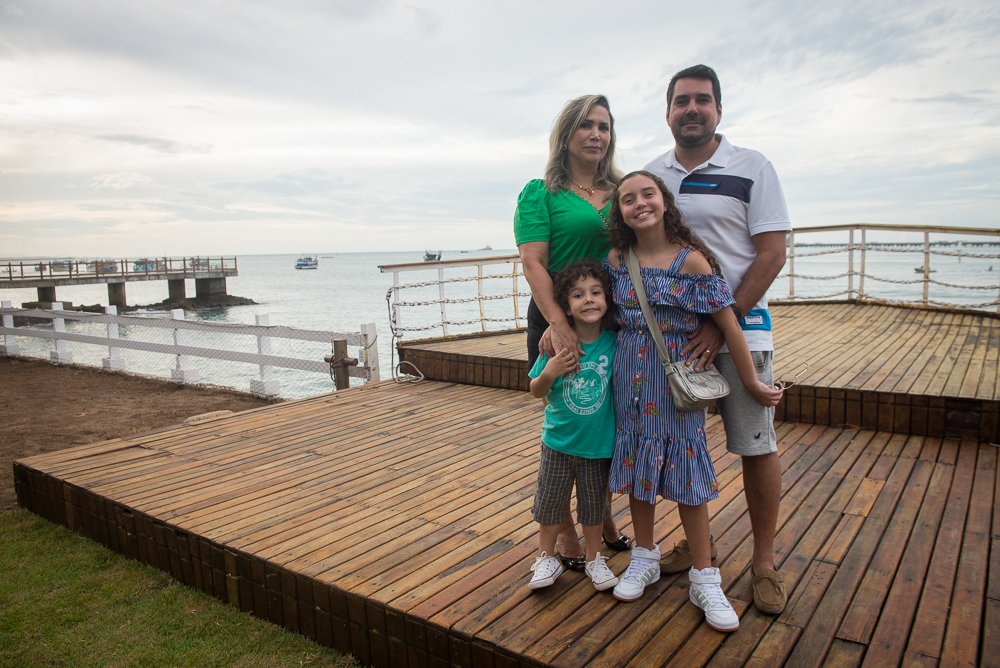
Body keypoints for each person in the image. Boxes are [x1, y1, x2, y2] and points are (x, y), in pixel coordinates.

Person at [603, 171, 782, 631]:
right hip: (629, 376)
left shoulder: (692, 261)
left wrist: (751, 382)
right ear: (620, 212)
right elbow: (598, 314)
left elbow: (728, 324)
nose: (640, 204)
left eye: (648, 194)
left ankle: (705, 576)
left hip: (675, 380)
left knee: (686, 472)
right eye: (628, 199)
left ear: (665, 201)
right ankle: (644, 556)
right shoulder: (617, 259)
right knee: (638, 465)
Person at [643, 64, 792, 615]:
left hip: (741, 334)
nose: (692, 109)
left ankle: (764, 561)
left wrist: (719, 319)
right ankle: (698, 544)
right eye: (681, 100)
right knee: (682, 445)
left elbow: (771, 254)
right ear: (667, 112)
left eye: (702, 100)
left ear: (719, 110)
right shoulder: (652, 176)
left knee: (756, 445)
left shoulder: (753, 167)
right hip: (672, 342)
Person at [514, 95, 631, 572]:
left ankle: (602, 520)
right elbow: (533, 261)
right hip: (555, 318)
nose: (596, 134)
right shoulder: (541, 192)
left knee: (605, 421)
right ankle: (563, 533)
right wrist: (559, 326)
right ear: (566, 135)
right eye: (586, 125)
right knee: (564, 427)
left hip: (609, 319)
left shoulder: (620, 190)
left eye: (604, 126)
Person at [527, 260, 620, 591]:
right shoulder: (556, 346)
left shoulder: (614, 342)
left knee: (594, 507)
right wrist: (549, 371)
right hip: (558, 442)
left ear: (607, 299)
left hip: (598, 445)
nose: (589, 299)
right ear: (565, 306)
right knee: (551, 503)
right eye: (578, 295)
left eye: (596, 292)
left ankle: (595, 558)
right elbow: (535, 389)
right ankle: (545, 558)